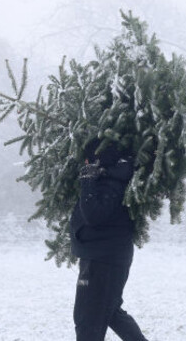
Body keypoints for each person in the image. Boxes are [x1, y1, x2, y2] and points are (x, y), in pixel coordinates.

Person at [69, 142, 149, 341]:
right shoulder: (110, 178)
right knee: (110, 312)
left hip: (104, 260)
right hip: (99, 257)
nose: (85, 165)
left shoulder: (112, 182)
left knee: (87, 320)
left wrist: (88, 181)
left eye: (88, 161)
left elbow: (94, 215)